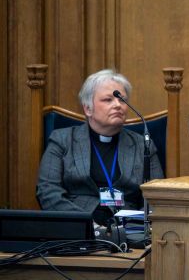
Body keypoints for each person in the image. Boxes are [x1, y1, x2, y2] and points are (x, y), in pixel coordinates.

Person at [36, 69, 164, 226]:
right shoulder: (62, 140)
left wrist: (137, 227)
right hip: (77, 229)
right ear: (88, 108)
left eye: (122, 100)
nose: (118, 105)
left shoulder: (143, 144)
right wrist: (87, 225)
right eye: (108, 100)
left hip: (129, 231)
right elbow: (48, 192)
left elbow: (157, 197)